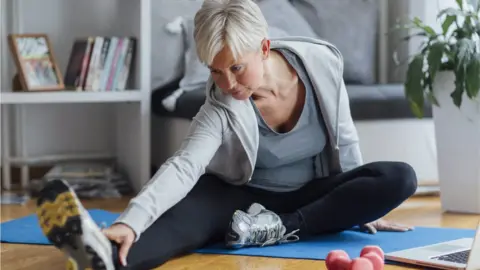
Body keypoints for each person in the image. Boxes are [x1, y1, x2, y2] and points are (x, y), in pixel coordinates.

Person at [35, 0, 418, 269]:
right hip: (239, 198)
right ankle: (102, 255)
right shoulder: (220, 102)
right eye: (215, 71)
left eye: (236, 67)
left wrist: (363, 206)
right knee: (173, 225)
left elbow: (344, 136)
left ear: (264, 48)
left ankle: (280, 229)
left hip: (309, 195)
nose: (228, 83)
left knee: (400, 177)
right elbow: (184, 165)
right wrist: (130, 221)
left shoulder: (322, 63)